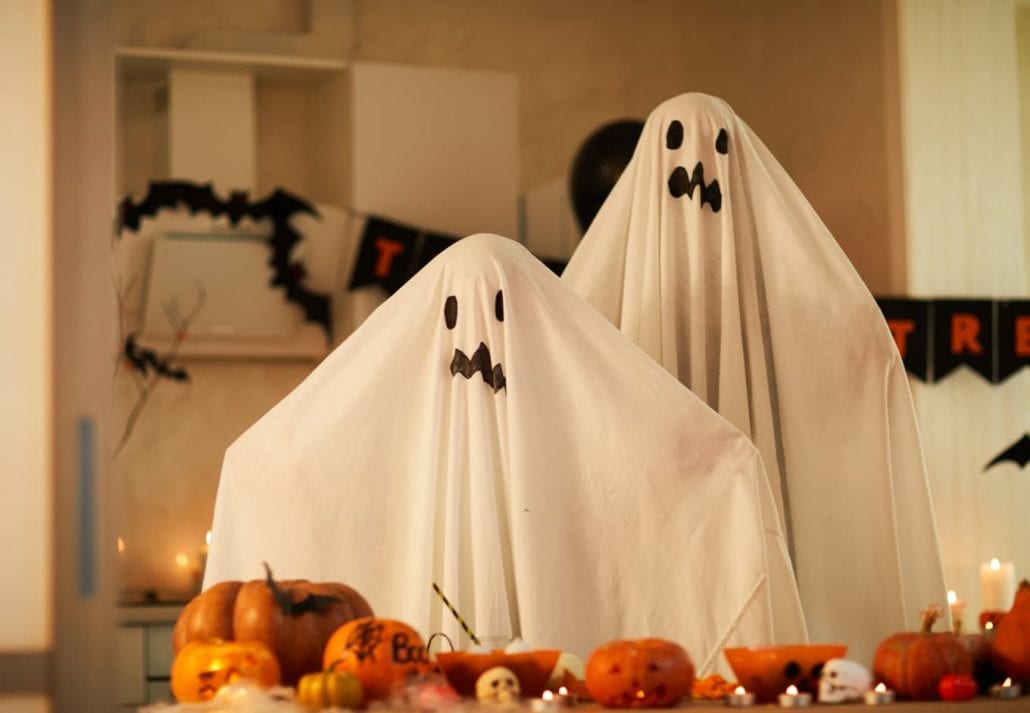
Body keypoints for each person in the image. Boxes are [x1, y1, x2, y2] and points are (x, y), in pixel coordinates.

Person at [204, 233, 806, 672]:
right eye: (454, 319)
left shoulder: (583, 431)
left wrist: (719, 466)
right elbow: (301, 459)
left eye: (500, 315)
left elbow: (648, 475)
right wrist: (259, 469)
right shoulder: (393, 424)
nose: (479, 349)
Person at [562, 93, 947, 663]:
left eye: (718, 150)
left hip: (773, 512)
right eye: (676, 150)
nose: (696, 174)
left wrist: (864, 352)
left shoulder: (780, 301)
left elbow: (843, 351)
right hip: (652, 517)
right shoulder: (599, 301)